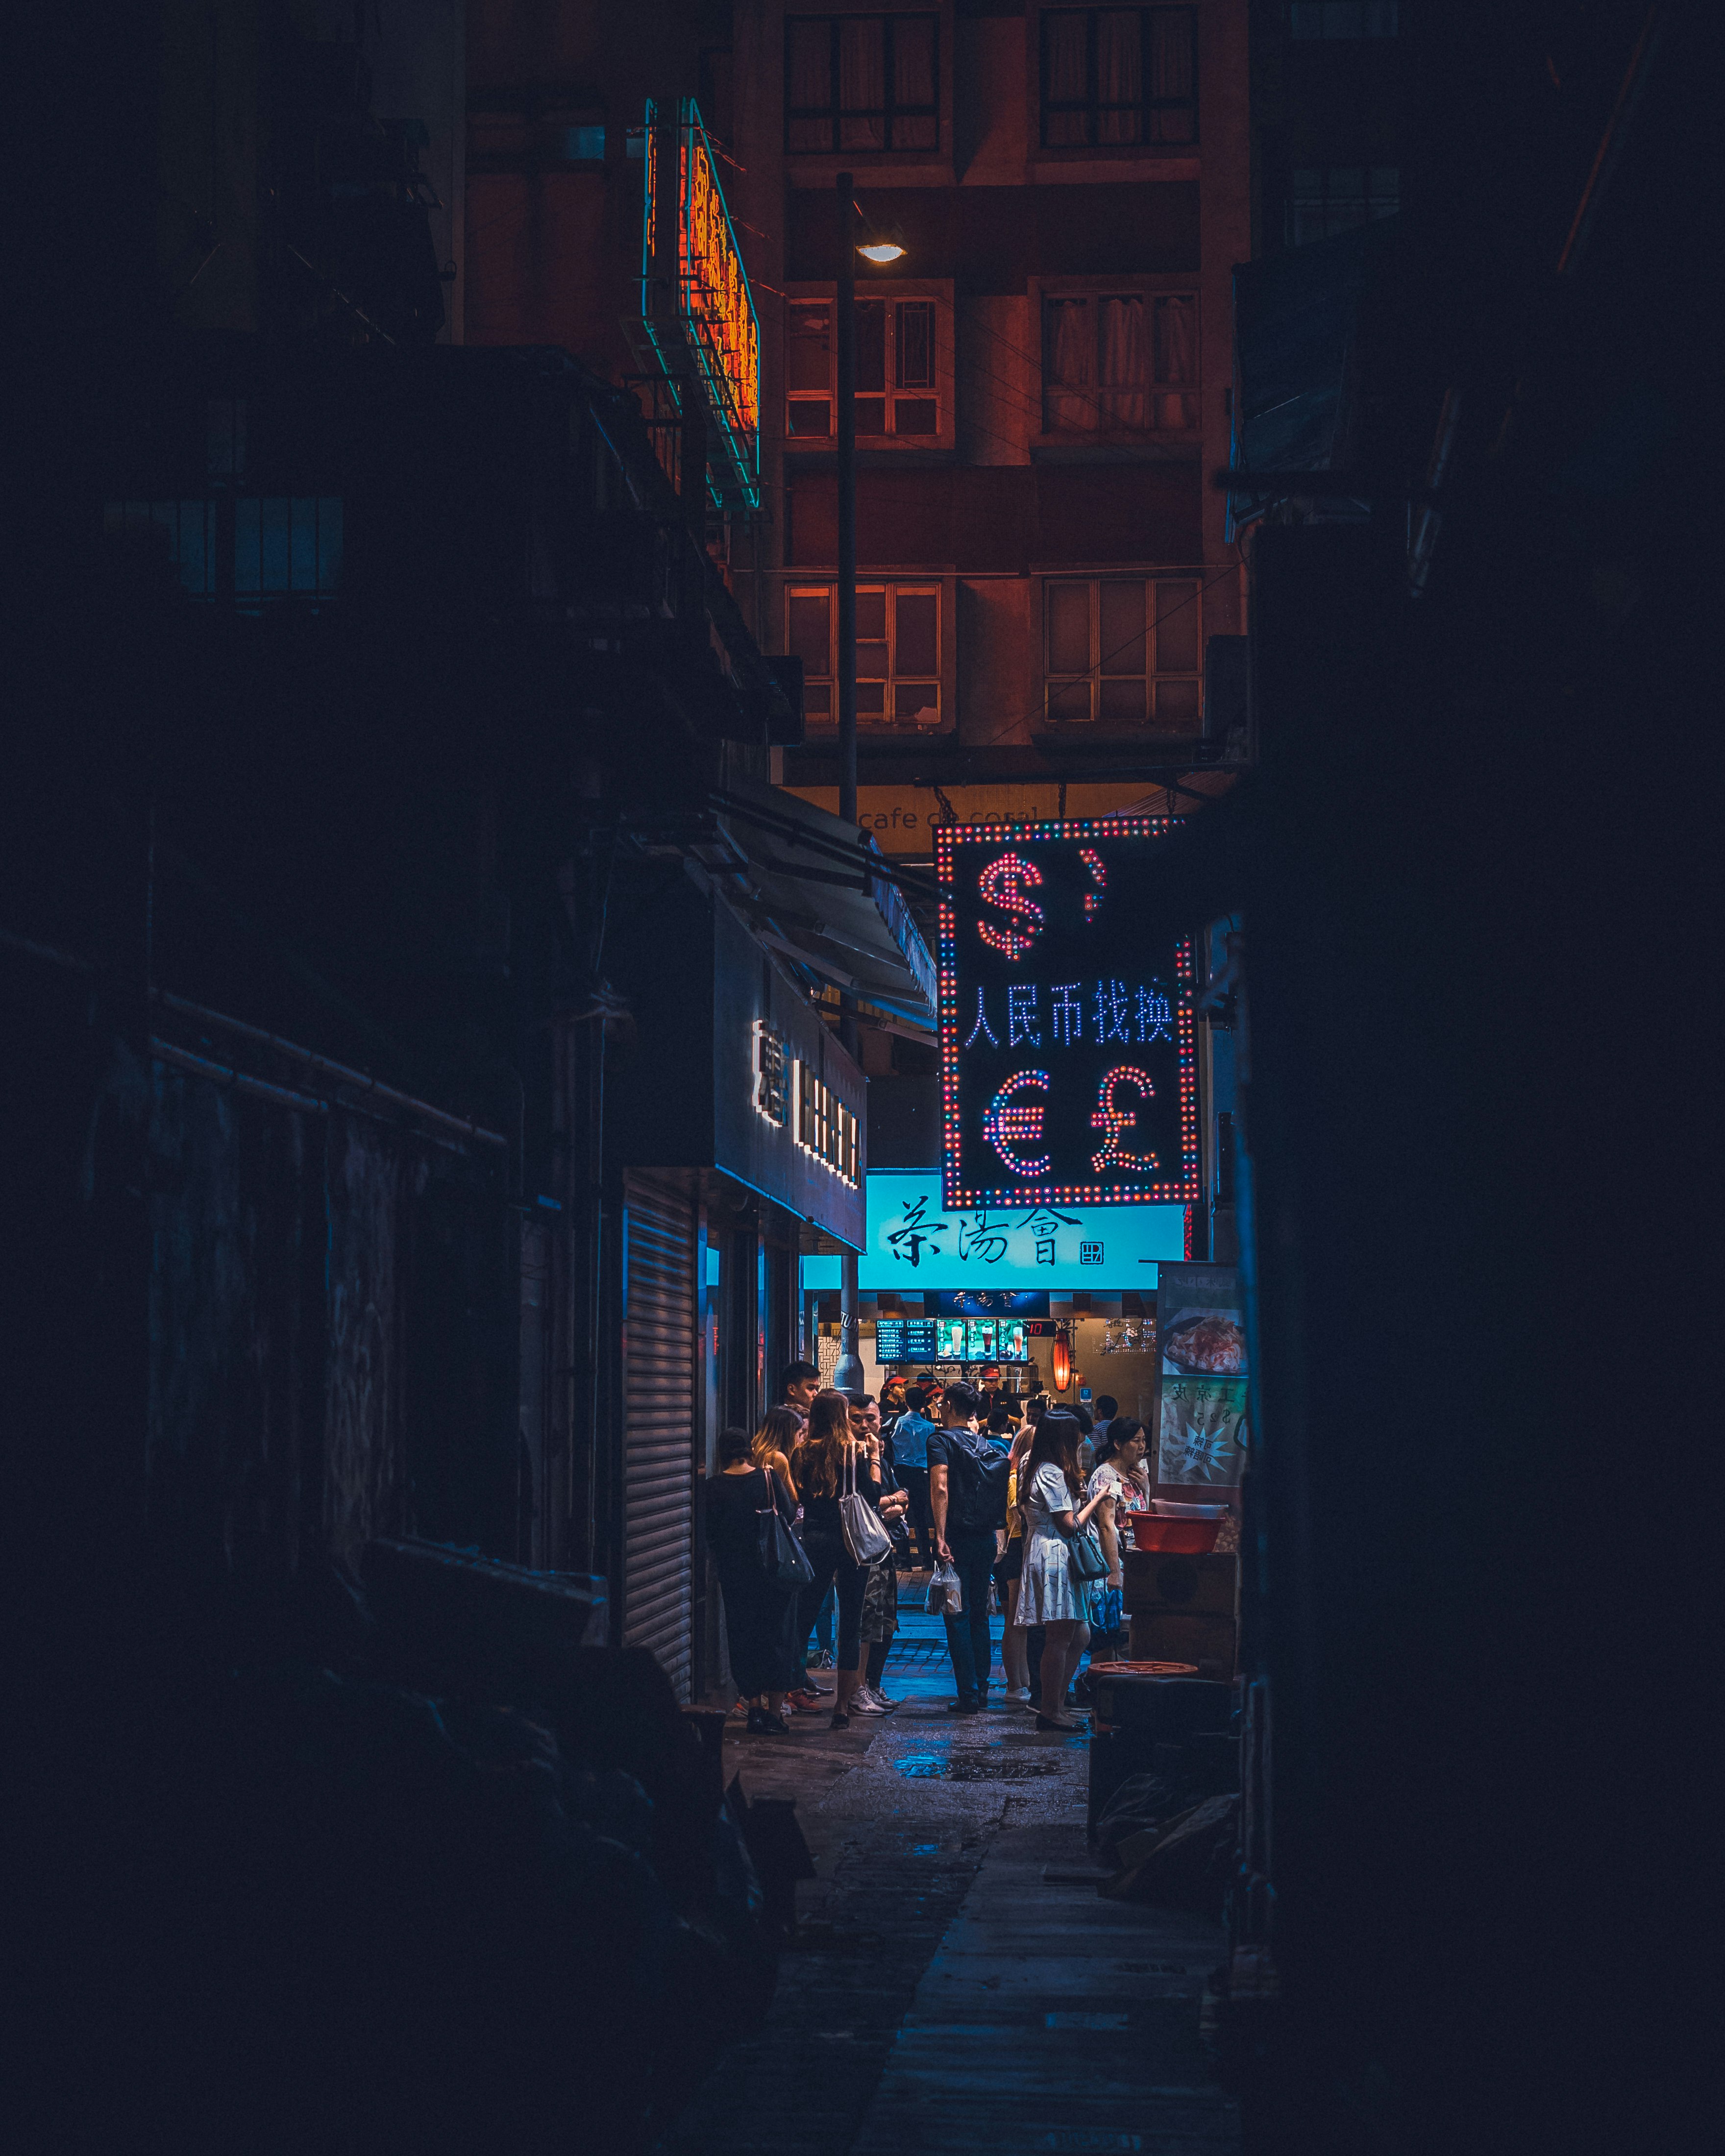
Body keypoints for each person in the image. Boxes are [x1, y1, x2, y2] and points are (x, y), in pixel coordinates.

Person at [704, 1428, 805, 1734]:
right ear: (750, 1450)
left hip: (735, 1577)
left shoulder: (712, 1487)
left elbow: (710, 1535)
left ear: (720, 1452)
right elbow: (787, 1514)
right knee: (777, 1638)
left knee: (743, 1638)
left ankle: (754, 1710)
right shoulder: (767, 1477)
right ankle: (776, 1714)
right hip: (774, 1573)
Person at [791, 1389, 882, 1728]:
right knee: (851, 1621)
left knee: (804, 1616)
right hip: (850, 1542)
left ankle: (785, 1691)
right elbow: (871, 1495)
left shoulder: (802, 1452)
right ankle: (843, 1706)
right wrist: (874, 1458)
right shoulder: (854, 1452)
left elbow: (799, 1496)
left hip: (815, 1539)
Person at [1017, 1412, 1109, 1730]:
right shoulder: (1052, 1471)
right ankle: (1050, 1710)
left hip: (1047, 1551)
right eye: (1077, 1435)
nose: (1083, 1439)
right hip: (1055, 1554)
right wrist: (1097, 1499)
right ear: (1064, 1439)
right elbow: (1068, 1526)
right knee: (1059, 1638)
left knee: (1079, 1633)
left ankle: (1054, 1702)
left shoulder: (1036, 1465)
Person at [928, 1381, 1010, 1714]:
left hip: (959, 1537)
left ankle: (968, 1695)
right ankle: (983, 1688)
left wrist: (940, 1536)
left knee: (957, 1615)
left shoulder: (940, 1441)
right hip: (986, 1538)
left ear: (947, 1405)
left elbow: (941, 1487)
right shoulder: (989, 1445)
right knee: (980, 1614)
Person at [846, 1392, 910, 1714]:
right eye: (856, 1419)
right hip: (861, 1553)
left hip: (886, 1549)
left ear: (881, 1420)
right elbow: (871, 1501)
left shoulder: (881, 1457)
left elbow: (903, 1496)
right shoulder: (852, 1458)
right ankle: (858, 1691)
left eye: (870, 1418)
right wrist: (889, 1504)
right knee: (864, 1623)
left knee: (885, 1622)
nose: (864, 1425)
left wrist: (892, 1503)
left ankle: (872, 1684)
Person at [1084, 1416, 1152, 1665]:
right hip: (1111, 1566)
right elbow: (1106, 1525)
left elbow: (1143, 1518)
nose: (1142, 1446)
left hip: (1133, 1563)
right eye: (1136, 1441)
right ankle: (1098, 1689)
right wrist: (1114, 1572)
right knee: (1107, 1634)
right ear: (1117, 1444)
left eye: (1144, 1440)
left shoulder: (1137, 1474)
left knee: (1125, 1636)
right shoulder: (1106, 1475)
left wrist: (1146, 1488)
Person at [995, 1415, 1039, 1704]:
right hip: (1015, 1548)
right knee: (1015, 1620)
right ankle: (1015, 1684)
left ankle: (1021, 1682)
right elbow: (1018, 1514)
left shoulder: (1015, 1474)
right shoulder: (1015, 1477)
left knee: (1022, 1622)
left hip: (1018, 1548)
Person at [887, 1380, 937, 1568]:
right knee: (922, 1518)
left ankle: (904, 1561)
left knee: (901, 1516)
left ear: (906, 1403)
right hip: (922, 1474)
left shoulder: (899, 1423)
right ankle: (927, 1560)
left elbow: (892, 1443)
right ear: (924, 1404)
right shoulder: (930, 1427)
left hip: (901, 1472)